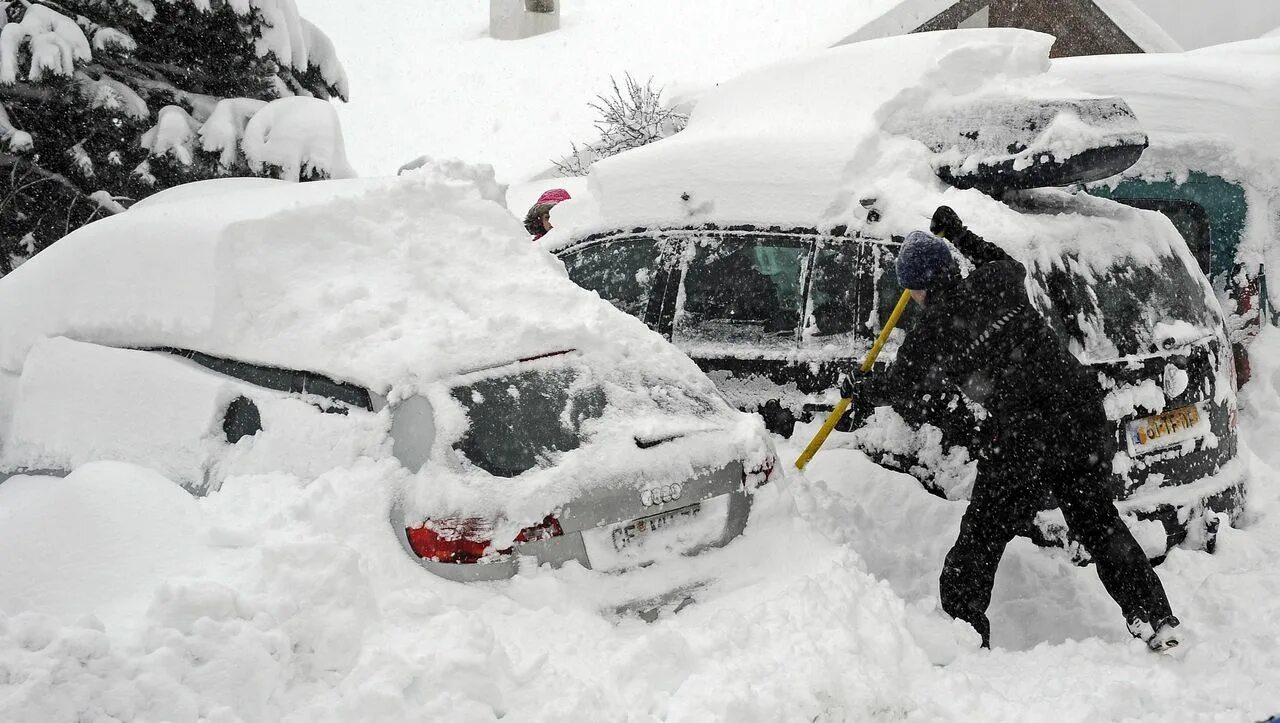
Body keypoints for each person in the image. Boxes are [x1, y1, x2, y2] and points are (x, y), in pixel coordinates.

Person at [844, 205, 1181, 653]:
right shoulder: (1000, 280)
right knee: (1097, 522)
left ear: (919, 289)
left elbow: (905, 387)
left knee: (980, 538)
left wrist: (861, 388)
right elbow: (996, 256)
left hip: (1022, 436)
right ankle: (1153, 615)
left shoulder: (933, 334)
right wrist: (959, 232)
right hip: (1077, 414)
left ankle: (963, 637)